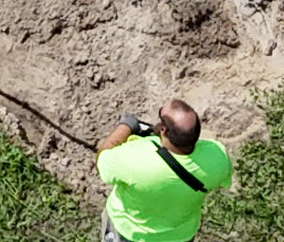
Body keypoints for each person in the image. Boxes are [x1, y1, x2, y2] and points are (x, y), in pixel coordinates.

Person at [97, 99, 231, 242]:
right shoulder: (218, 157)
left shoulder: (134, 158)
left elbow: (102, 160)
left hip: (128, 232)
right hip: (179, 236)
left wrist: (126, 126)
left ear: (164, 130)